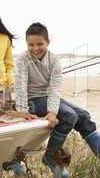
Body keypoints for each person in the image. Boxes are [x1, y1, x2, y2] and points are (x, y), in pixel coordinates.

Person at [14, 22, 100, 177]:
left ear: (48, 42)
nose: (35, 48)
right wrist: (22, 112)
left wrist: (52, 111)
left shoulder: (54, 60)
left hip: (48, 97)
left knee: (83, 115)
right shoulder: (22, 59)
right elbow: (20, 87)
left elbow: (55, 88)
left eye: (39, 44)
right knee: (69, 115)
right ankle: (50, 157)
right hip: (32, 100)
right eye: (30, 44)